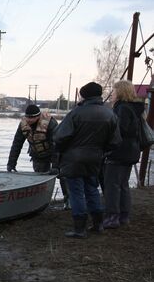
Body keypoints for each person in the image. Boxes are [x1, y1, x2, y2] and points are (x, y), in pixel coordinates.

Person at [53, 82, 121, 238]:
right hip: (96, 158)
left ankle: (79, 229)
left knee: (76, 192)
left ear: (83, 95)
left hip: (74, 159)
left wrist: (62, 151)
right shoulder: (110, 114)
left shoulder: (76, 113)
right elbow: (115, 141)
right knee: (92, 189)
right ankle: (98, 224)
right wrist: (102, 151)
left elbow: (59, 136)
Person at [102, 80, 145, 229]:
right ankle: (124, 215)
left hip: (119, 152)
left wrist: (106, 146)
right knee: (123, 184)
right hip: (131, 151)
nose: (111, 94)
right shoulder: (136, 108)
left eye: (113, 92)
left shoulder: (122, 109)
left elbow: (118, 131)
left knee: (112, 185)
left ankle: (112, 217)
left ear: (120, 92)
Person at [7, 104, 59, 173]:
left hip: (54, 152)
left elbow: (56, 145)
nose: (29, 120)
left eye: (32, 117)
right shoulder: (23, 125)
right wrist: (11, 163)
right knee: (40, 176)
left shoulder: (50, 123)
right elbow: (16, 144)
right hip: (38, 156)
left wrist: (55, 166)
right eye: (27, 117)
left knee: (62, 175)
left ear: (38, 116)